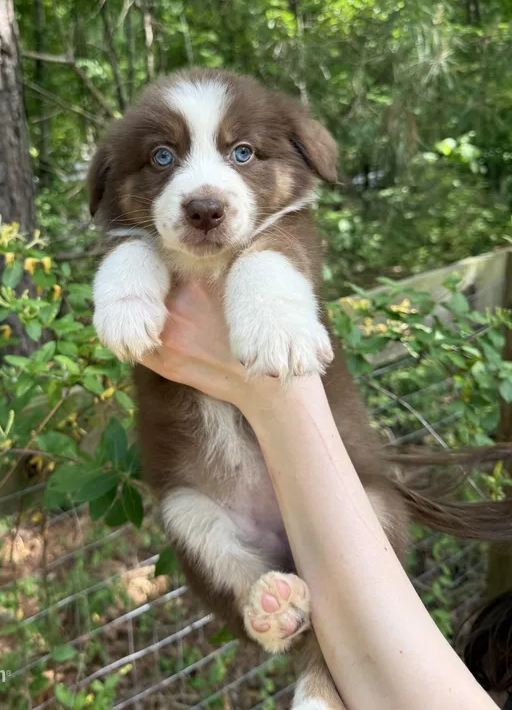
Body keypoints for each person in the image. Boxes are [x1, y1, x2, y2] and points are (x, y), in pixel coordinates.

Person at [140, 280, 499, 710]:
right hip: (235, 497)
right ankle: (257, 601)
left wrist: (273, 395)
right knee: (187, 512)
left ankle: (317, 683)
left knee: (374, 509)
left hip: (298, 468)